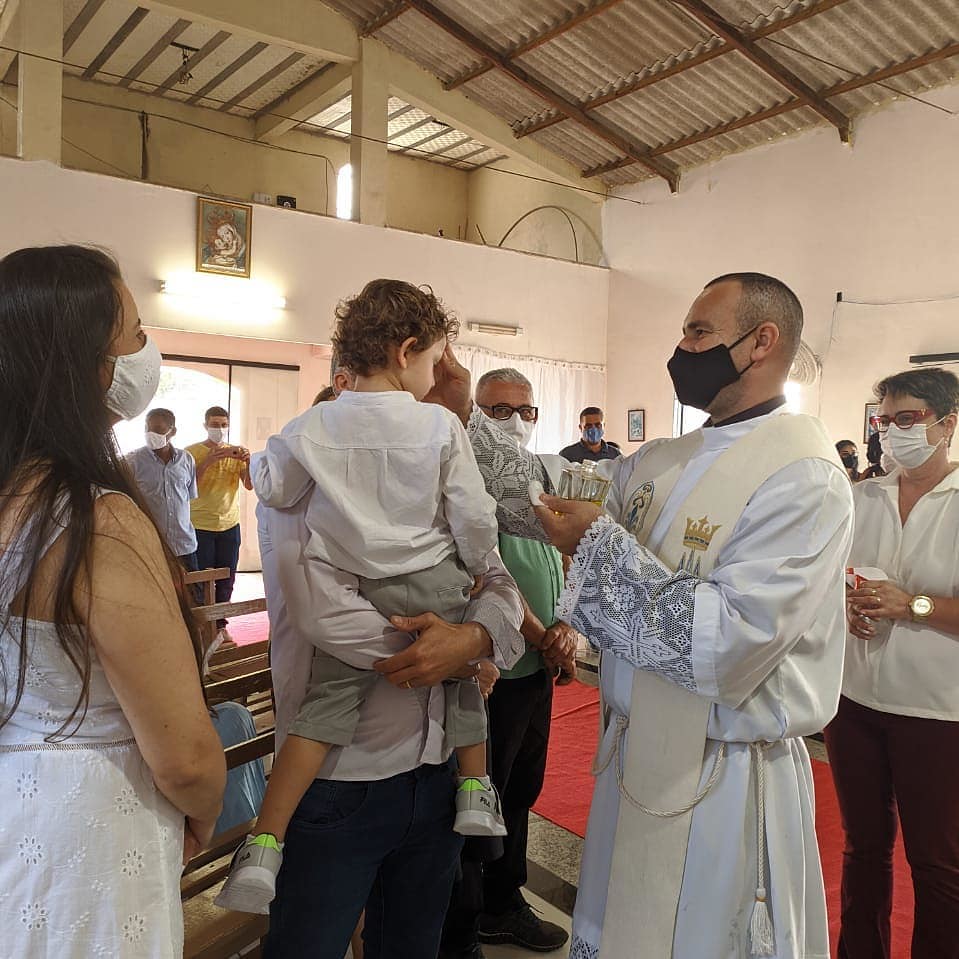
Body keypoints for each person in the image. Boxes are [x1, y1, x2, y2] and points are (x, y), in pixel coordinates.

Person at [429, 272, 854, 959]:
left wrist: (597, 543)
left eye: (697, 332)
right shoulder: (661, 458)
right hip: (634, 755)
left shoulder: (800, 475)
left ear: (760, 342)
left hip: (722, 773)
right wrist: (460, 413)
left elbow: (729, 643)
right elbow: (536, 497)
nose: (681, 348)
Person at [217, 279, 506, 918]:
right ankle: (475, 788)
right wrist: (475, 558)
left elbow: (272, 484)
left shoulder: (312, 425)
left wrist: (260, 470)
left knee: (320, 713)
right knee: (462, 680)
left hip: (354, 588)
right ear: (407, 351)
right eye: (435, 360)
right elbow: (473, 512)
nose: (436, 377)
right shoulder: (436, 425)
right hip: (435, 586)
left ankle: (264, 842)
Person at [0, 245, 226, 958]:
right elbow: (185, 757)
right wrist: (205, 810)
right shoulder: (97, 519)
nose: (143, 350)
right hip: (92, 829)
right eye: (133, 333)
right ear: (85, 363)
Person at [247, 401, 524, 956]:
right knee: (309, 946)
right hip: (338, 777)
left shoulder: (444, 496)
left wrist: (472, 640)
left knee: (411, 945)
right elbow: (323, 616)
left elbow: (501, 585)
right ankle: (262, 845)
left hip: (434, 771)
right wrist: (449, 654)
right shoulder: (304, 493)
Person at [825, 367, 959, 959]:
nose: (890, 432)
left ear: (946, 425)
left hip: (936, 709)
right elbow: (829, 584)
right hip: (854, 701)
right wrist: (844, 611)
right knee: (863, 847)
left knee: (938, 863)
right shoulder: (860, 498)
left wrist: (915, 605)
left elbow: (916, 603)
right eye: (883, 420)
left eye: (907, 419)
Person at [441, 368, 575, 959]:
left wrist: (568, 623)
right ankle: (465, 921)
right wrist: (544, 634)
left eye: (525, 410)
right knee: (478, 798)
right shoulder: (469, 479)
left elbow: (558, 559)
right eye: (497, 411)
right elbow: (485, 578)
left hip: (534, 669)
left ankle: (504, 901)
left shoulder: (540, 472)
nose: (514, 422)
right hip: (491, 667)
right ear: (474, 416)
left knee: (521, 789)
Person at [186, 405, 252, 624]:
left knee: (227, 578)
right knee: (203, 579)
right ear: (205, 426)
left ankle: (221, 625)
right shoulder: (191, 452)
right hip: (201, 525)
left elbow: (250, 485)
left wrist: (249, 462)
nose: (220, 429)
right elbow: (188, 485)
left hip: (230, 525)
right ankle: (205, 624)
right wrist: (209, 460)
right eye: (215, 425)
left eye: (224, 425)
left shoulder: (236, 452)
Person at [125, 408, 199, 569]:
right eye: (147, 429)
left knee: (193, 593)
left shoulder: (186, 459)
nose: (151, 434)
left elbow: (188, 498)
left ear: (172, 432)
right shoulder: (132, 462)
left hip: (184, 545)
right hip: (149, 545)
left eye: (158, 430)